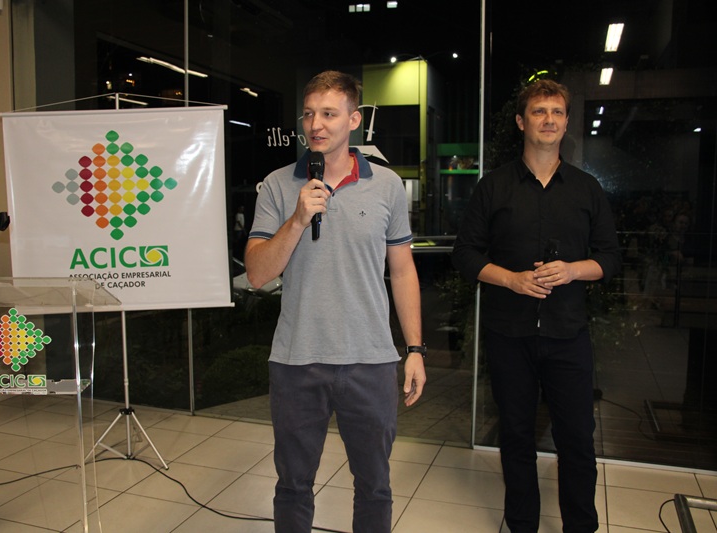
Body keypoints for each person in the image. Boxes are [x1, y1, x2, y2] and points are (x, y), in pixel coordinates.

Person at [245, 70, 426, 533]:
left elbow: (403, 271)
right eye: (308, 114)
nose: (316, 124)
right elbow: (258, 274)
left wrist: (415, 350)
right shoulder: (277, 185)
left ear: (354, 120)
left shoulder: (387, 185)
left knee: (374, 486)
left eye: (328, 113)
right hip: (297, 360)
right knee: (293, 485)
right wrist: (297, 220)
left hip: (371, 360)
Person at [452, 79, 621, 533]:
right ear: (521, 122)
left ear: (566, 123)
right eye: (539, 111)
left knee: (577, 441)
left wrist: (572, 270)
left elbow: (610, 258)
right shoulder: (493, 187)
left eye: (557, 112)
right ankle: (522, 524)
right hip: (509, 335)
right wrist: (511, 279)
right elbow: (465, 254)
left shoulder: (586, 189)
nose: (549, 119)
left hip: (569, 334)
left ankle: (581, 526)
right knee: (516, 436)